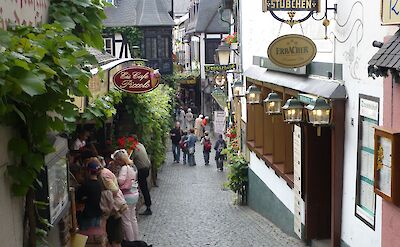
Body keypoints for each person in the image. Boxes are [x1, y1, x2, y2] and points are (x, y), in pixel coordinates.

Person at [112, 150, 139, 242]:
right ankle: (136, 239)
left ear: (120, 160)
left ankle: (130, 241)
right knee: (133, 218)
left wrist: (114, 178)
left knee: (126, 220)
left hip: (127, 196)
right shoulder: (132, 166)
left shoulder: (124, 168)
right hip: (134, 193)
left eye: (117, 160)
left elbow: (121, 181)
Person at [76, 161, 102, 231]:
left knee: (86, 236)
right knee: (95, 235)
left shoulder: (86, 185)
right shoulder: (99, 184)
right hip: (97, 213)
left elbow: (78, 197)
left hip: (87, 215)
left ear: (89, 171)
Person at [131, 140, 153, 215]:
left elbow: (131, 160)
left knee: (144, 188)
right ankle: (147, 203)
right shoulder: (140, 145)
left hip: (142, 169)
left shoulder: (135, 149)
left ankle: (148, 206)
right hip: (147, 168)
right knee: (144, 187)